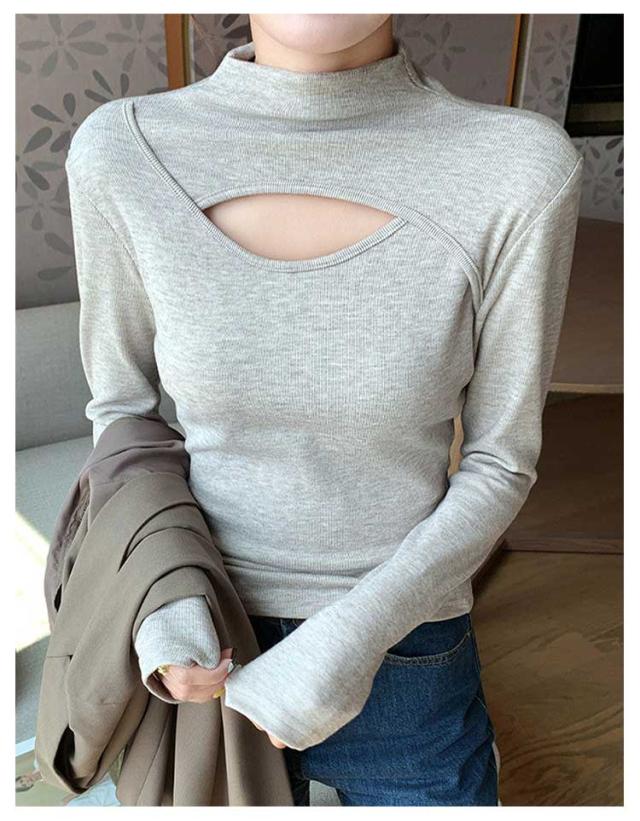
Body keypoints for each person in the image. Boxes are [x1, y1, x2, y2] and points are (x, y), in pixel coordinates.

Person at [65, 12, 583, 806]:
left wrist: (350, 639)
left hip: (404, 656)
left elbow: (500, 460)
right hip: (202, 647)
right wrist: (164, 600)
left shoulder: (518, 167)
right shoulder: (122, 151)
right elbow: (124, 411)